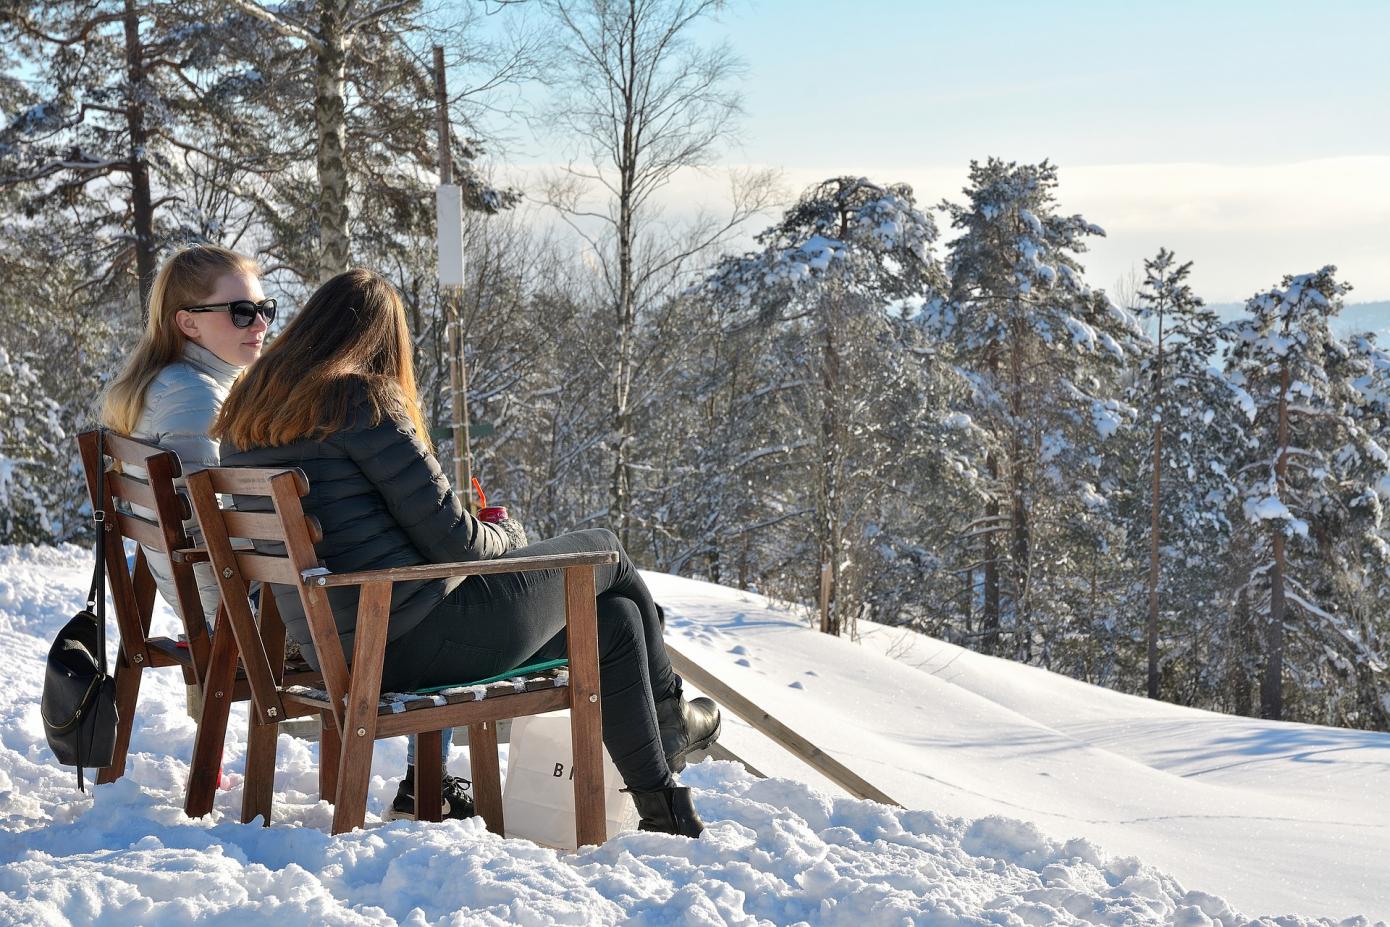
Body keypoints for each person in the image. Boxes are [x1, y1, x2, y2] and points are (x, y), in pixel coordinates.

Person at [213, 269, 721, 837]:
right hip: (412, 638)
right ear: (383, 341)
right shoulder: (362, 399)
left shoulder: (249, 418)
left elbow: (368, 525)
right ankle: (671, 713)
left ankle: (664, 811)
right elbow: (459, 545)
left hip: (341, 641)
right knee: (606, 550)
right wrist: (510, 535)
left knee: (615, 620)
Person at [100, 243, 271, 644]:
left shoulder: (171, 385)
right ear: (189, 324)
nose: (260, 324)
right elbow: (211, 526)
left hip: (226, 603)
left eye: (266, 309)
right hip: (245, 616)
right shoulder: (193, 398)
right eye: (242, 311)